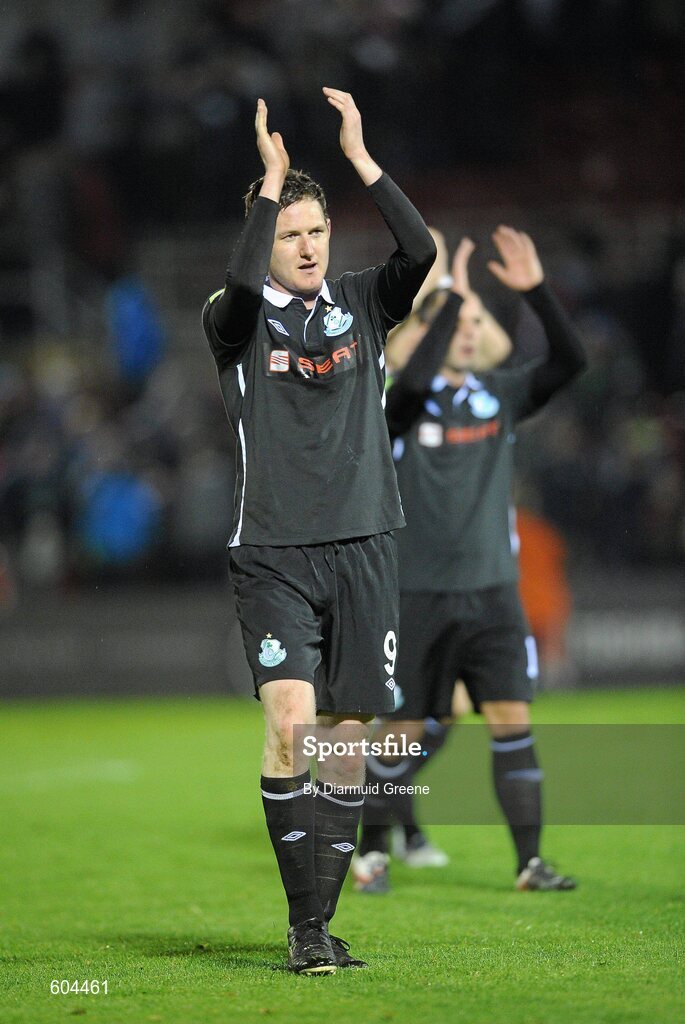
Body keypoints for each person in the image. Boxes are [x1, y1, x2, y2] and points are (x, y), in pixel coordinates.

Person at [201, 89, 436, 974]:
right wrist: (267, 188)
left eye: (315, 232)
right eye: (289, 233)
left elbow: (421, 250)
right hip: (271, 551)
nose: (305, 248)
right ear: (266, 238)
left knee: (345, 741)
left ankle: (319, 925)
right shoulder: (233, 319)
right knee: (292, 722)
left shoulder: (365, 304)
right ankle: (305, 929)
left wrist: (363, 158)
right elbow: (233, 292)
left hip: (368, 541)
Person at [353, 228, 586, 893]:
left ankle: (528, 863)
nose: (466, 329)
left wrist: (535, 292)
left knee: (511, 719)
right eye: (455, 319)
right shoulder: (395, 401)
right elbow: (415, 376)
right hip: (415, 594)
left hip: (491, 594)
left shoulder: (499, 396)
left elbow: (570, 363)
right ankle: (372, 846)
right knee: (402, 730)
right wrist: (451, 297)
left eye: (474, 320)